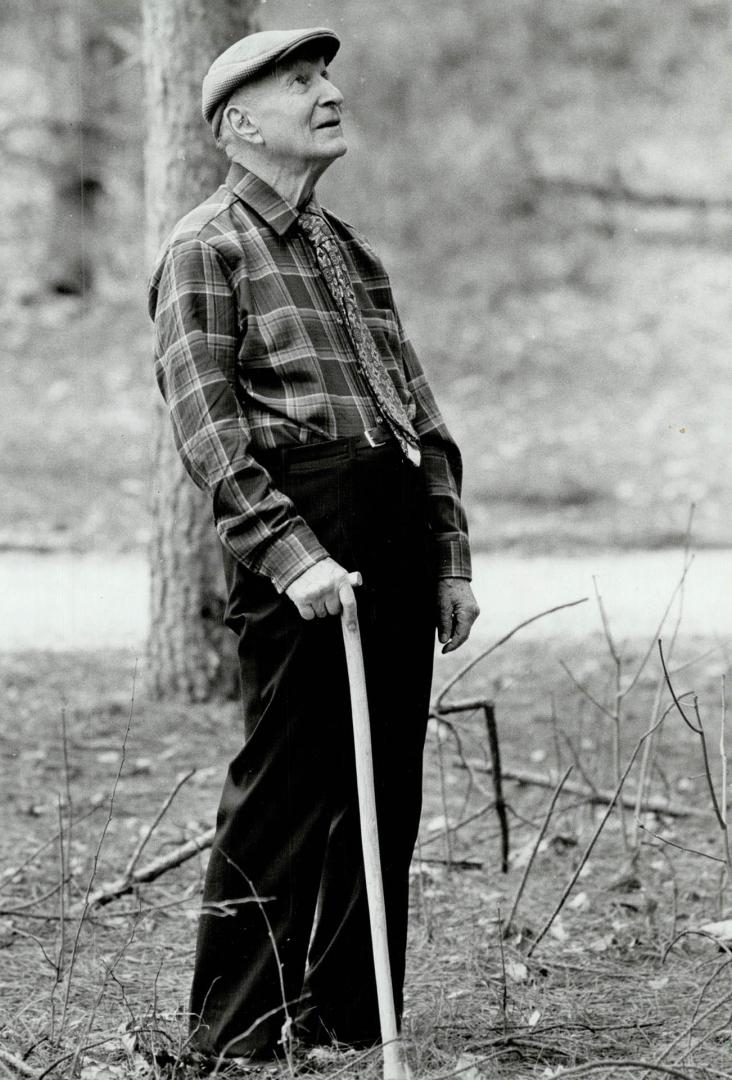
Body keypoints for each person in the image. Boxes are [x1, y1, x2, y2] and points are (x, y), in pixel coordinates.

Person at [148, 26, 480, 1062]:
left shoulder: (350, 250)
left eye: (326, 74)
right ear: (241, 124)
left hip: (385, 522)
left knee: (385, 783)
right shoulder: (206, 246)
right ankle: (233, 1033)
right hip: (304, 526)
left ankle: (344, 1020)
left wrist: (447, 551)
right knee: (288, 784)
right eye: (302, 81)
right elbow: (209, 429)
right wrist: (291, 555)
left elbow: (417, 412)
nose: (329, 91)